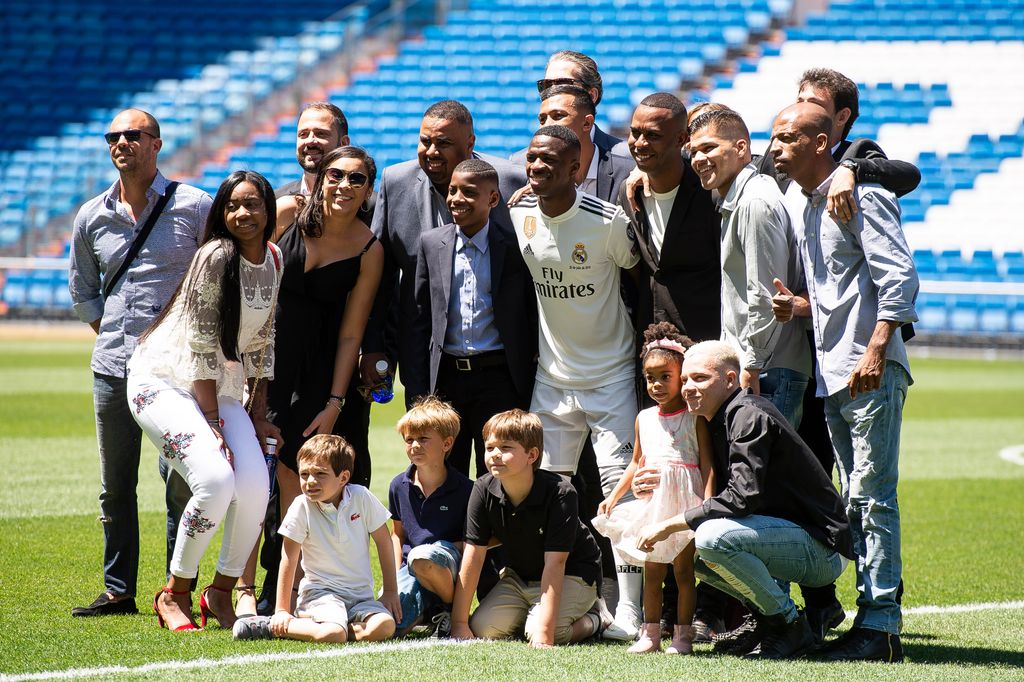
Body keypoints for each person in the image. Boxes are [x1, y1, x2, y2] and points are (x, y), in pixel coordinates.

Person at [769, 102, 919, 662]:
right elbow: (844, 289)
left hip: (866, 368)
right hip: (836, 373)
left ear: (820, 142)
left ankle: (879, 627)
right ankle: (873, 618)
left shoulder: (863, 195)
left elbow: (898, 277)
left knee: (873, 498)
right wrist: (801, 307)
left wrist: (877, 349)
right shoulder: (811, 206)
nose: (776, 148)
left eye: (786, 138)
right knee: (857, 499)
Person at [68, 108, 211, 618]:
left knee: (179, 481)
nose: (120, 143)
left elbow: (217, 277)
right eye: (113, 136)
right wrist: (115, 339)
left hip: (176, 372)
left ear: (156, 143)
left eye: (131, 135)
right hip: (112, 366)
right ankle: (118, 590)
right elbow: (84, 291)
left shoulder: (194, 206)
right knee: (115, 485)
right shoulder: (92, 215)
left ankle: (177, 591)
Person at [127, 171, 283, 631]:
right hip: (164, 380)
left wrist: (257, 416)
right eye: (232, 205)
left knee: (256, 488)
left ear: (268, 209)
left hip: (223, 387)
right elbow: (198, 343)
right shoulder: (214, 255)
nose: (243, 214)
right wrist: (213, 423)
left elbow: (263, 342)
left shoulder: (273, 257)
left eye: (252, 204)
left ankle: (220, 592)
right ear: (221, 212)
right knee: (215, 480)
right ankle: (175, 592)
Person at [636, 341, 853, 660]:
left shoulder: (747, 414)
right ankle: (769, 621)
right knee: (698, 557)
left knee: (710, 539)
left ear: (729, 380)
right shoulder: (718, 419)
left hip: (822, 548)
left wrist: (669, 525)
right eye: (684, 380)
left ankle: (789, 625)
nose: (688, 388)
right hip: (785, 537)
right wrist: (644, 480)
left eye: (699, 378)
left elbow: (742, 497)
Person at [510, 125, 645, 640]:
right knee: (545, 492)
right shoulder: (518, 214)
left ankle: (630, 609)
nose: (538, 168)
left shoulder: (608, 222)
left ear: (576, 169)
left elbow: (639, 282)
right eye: (532, 159)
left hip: (610, 376)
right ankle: (557, 598)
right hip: (552, 379)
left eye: (550, 161)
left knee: (620, 492)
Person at [258, 147, 383, 616]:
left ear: (368, 190)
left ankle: (285, 590)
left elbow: (352, 332)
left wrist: (334, 401)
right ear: (321, 177)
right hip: (265, 361)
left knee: (295, 472)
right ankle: (241, 586)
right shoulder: (286, 213)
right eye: (336, 175)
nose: (344, 186)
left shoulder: (371, 249)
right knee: (249, 478)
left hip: (318, 372)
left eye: (356, 180)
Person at [365, 100, 526, 406]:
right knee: (429, 454)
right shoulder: (395, 182)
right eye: (425, 141)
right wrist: (374, 347)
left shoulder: (511, 181)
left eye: (444, 143)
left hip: (502, 368)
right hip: (425, 361)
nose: (432, 151)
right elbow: (379, 279)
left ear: (470, 144)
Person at [408, 158, 537, 476]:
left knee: (496, 467)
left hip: (498, 378)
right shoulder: (431, 243)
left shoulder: (515, 246)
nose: (456, 199)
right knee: (443, 469)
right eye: (452, 191)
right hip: (447, 379)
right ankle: (449, 529)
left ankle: (489, 528)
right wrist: (419, 392)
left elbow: (529, 316)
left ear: (492, 199)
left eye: (468, 192)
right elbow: (418, 320)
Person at [593, 323, 714, 655]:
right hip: (654, 504)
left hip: (686, 502)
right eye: (650, 377)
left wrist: (708, 501)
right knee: (653, 571)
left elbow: (706, 463)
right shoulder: (644, 418)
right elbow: (636, 461)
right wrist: (613, 496)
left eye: (665, 376)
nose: (657, 384)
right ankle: (650, 635)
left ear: (681, 376)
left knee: (684, 571)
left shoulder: (695, 417)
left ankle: (683, 637)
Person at [687, 108, 811, 424]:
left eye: (709, 147)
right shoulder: (740, 199)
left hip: (766, 371)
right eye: (694, 151)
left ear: (741, 148)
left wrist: (752, 364)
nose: (699, 159)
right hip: (760, 367)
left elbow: (764, 296)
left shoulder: (754, 203)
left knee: (765, 473)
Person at [451, 409, 604, 646]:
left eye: (506, 448)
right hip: (520, 577)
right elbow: (474, 555)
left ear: (532, 455)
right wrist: (459, 623)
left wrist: (545, 632)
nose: (495, 455)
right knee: (483, 628)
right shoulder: (482, 488)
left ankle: (596, 617)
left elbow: (556, 563)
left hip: (571, 574)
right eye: (490, 448)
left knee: (553, 633)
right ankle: (533, 612)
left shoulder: (561, 493)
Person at [233, 434, 400, 642]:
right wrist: (282, 610)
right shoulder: (301, 506)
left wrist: (391, 591)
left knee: (385, 626)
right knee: (332, 634)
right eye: (304, 474)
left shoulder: (361, 497)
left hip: (360, 598)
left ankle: (336, 628)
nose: (310, 481)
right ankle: (271, 626)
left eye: (320, 474)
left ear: (343, 477)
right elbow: (288, 558)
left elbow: (384, 542)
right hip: (321, 596)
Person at [618, 93, 722, 344]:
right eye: (635, 133)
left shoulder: (712, 192)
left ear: (682, 140)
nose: (640, 143)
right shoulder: (629, 192)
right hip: (652, 347)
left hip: (706, 346)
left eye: (652, 135)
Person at [389, 396, 474, 637]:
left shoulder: (466, 489)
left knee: (423, 555)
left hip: (446, 564)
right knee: (387, 625)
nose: (415, 445)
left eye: (424, 439)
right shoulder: (398, 485)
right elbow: (397, 535)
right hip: (411, 567)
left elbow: (473, 543)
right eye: (409, 440)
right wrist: (394, 581)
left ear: (447, 443)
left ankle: (450, 610)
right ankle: (429, 611)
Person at [510, 84, 632, 203]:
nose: (546, 125)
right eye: (542, 119)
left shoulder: (628, 173)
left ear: (587, 123)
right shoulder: (524, 173)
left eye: (558, 116)